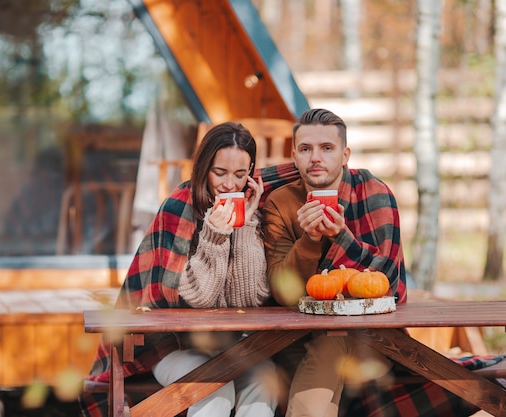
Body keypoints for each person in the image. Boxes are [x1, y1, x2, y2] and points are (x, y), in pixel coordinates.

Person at [79, 121, 279, 417]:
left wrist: (246, 224)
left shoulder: (250, 212)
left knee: (266, 381)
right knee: (214, 389)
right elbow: (194, 299)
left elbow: (249, 299)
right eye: (219, 172)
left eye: (240, 175)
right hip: (167, 343)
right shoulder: (179, 206)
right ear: (203, 169)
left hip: (230, 342)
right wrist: (215, 235)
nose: (229, 185)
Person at [262, 108, 408, 417]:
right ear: (294, 156)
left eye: (327, 148)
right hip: (300, 335)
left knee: (332, 342)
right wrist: (309, 240)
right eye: (306, 149)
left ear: (345, 154)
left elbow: (388, 283)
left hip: (372, 335)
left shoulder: (374, 192)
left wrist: (342, 236)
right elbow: (281, 289)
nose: (316, 157)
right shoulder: (280, 202)